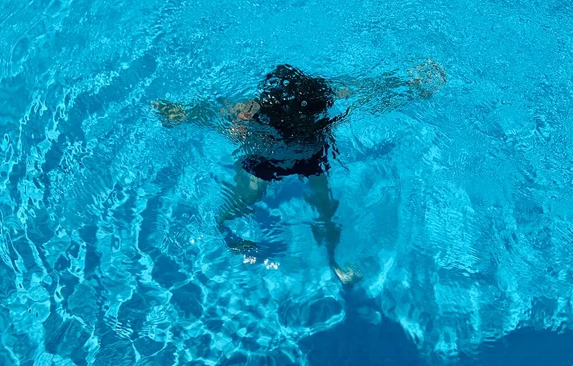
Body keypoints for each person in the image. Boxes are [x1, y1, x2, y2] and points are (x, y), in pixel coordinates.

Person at [152, 61, 446, 284]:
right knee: (250, 194)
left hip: (312, 159)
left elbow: (365, 92)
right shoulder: (251, 118)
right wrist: (184, 112)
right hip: (263, 161)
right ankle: (223, 229)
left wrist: (408, 83)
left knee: (325, 207)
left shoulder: (319, 101)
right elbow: (216, 114)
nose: (318, 117)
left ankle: (334, 262)